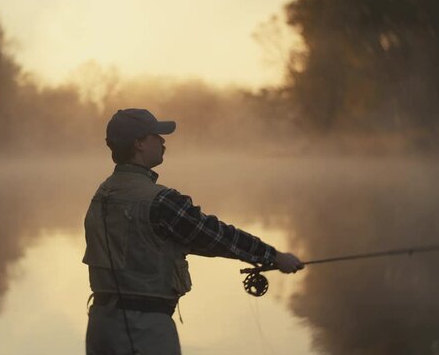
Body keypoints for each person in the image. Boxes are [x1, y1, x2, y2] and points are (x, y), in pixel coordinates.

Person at [83, 108, 304, 355]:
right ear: (139, 144)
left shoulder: (101, 195)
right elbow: (216, 237)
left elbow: (167, 242)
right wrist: (273, 256)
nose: (163, 141)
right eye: (156, 135)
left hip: (102, 326)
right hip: (143, 329)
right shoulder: (160, 201)